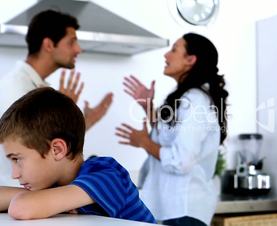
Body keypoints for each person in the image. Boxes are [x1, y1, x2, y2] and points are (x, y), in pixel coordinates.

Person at [116, 33, 229, 226]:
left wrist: (144, 142)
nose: (166, 55)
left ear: (190, 60)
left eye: (174, 49)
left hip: (184, 210)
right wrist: (147, 105)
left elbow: (181, 160)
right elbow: (169, 136)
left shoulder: (195, 102)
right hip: (173, 208)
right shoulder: (187, 98)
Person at [0, 87, 155, 223]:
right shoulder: (54, 184)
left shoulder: (107, 176)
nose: (14, 174)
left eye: (17, 159)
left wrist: (40, 199)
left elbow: (20, 208)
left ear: (57, 150)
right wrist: (45, 198)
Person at [0, 10, 112, 186]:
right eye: (72, 42)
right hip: (18, 194)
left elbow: (47, 142)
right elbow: (31, 144)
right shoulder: (17, 88)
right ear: (49, 44)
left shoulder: (36, 87)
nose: (78, 49)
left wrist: (83, 121)